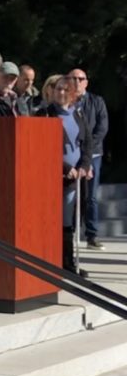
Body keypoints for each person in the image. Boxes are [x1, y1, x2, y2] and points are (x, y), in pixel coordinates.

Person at [43, 75, 93, 276]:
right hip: (55, 176)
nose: (61, 93)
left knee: (69, 220)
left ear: (72, 94)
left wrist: (85, 164)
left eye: (65, 90)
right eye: (58, 89)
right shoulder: (45, 114)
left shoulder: (77, 114)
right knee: (56, 220)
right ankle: (54, 261)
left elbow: (87, 142)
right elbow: (43, 147)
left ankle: (69, 262)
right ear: (52, 91)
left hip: (76, 179)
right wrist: (64, 167)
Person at [67, 68, 108, 250]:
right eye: (73, 78)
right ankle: (70, 232)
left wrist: (88, 151)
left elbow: (102, 127)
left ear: (86, 82)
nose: (76, 81)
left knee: (90, 195)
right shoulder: (65, 101)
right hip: (71, 154)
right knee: (72, 195)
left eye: (80, 78)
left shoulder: (96, 101)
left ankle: (92, 235)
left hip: (93, 154)